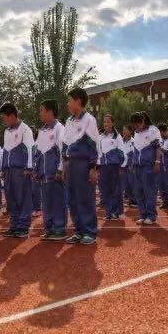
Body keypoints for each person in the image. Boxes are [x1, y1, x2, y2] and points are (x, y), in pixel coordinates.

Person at [62, 88, 100, 245]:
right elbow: (65, 145)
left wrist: (93, 167)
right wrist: (64, 166)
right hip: (70, 164)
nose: (68, 103)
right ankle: (78, 230)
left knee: (85, 198)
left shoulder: (89, 120)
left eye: (69, 100)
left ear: (78, 101)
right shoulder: (68, 121)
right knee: (72, 199)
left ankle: (89, 231)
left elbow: (94, 145)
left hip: (83, 164)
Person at [0, 102, 35, 239]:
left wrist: (28, 167)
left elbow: (30, 149)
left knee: (23, 198)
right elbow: (5, 151)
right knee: (11, 199)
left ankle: (23, 227)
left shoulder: (25, 129)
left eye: (4, 118)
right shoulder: (6, 131)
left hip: (21, 170)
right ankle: (14, 226)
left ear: (12, 116)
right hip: (8, 171)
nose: (3, 121)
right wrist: (2, 167)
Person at [34, 99, 67, 240]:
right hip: (44, 174)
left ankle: (59, 229)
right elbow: (38, 152)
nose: (40, 113)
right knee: (46, 203)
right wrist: (36, 170)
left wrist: (60, 169)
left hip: (55, 173)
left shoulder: (59, 128)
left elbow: (62, 150)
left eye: (41, 110)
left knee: (58, 201)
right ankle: (49, 228)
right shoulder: (41, 131)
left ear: (50, 111)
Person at [130, 111, 162, 226]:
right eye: (133, 126)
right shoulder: (136, 133)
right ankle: (143, 215)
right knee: (139, 192)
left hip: (148, 166)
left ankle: (151, 216)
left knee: (149, 191)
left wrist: (157, 162)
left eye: (137, 125)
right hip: (138, 167)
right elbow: (136, 150)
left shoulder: (153, 130)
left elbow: (158, 147)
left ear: (142, 121)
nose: (135, 128)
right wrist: (133, 164)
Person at [98, 114, 126, 221]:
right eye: (104, 122)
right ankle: (109, 212)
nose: (106, 124)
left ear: (112, 123)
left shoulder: (117, 136)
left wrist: (121, 166)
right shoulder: (100, 137)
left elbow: (122, 152)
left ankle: (116, 212)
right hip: (103, 167)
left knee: (115, 190)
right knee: (105, 190)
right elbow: (99, 153)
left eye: (108, 121)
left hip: (114, 166)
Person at [121, 125, 136, 208]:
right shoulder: (120, 141)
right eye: (123, 130)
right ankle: (131, 199)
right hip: (123, 165)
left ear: (130, 132)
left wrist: (133, 165)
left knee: (132, 183)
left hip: (130, 166)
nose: (124, 132)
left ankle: (135, 200)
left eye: (126, 130)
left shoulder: (133, 141)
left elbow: (134, 154)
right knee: (125, 184)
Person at [31, 129, 42, 217]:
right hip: (36, 168)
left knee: (36, 189)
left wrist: (35, 170)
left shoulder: (37, 144)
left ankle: (37, 208)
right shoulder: (35, 144)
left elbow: (36, 158)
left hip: (37, 169)